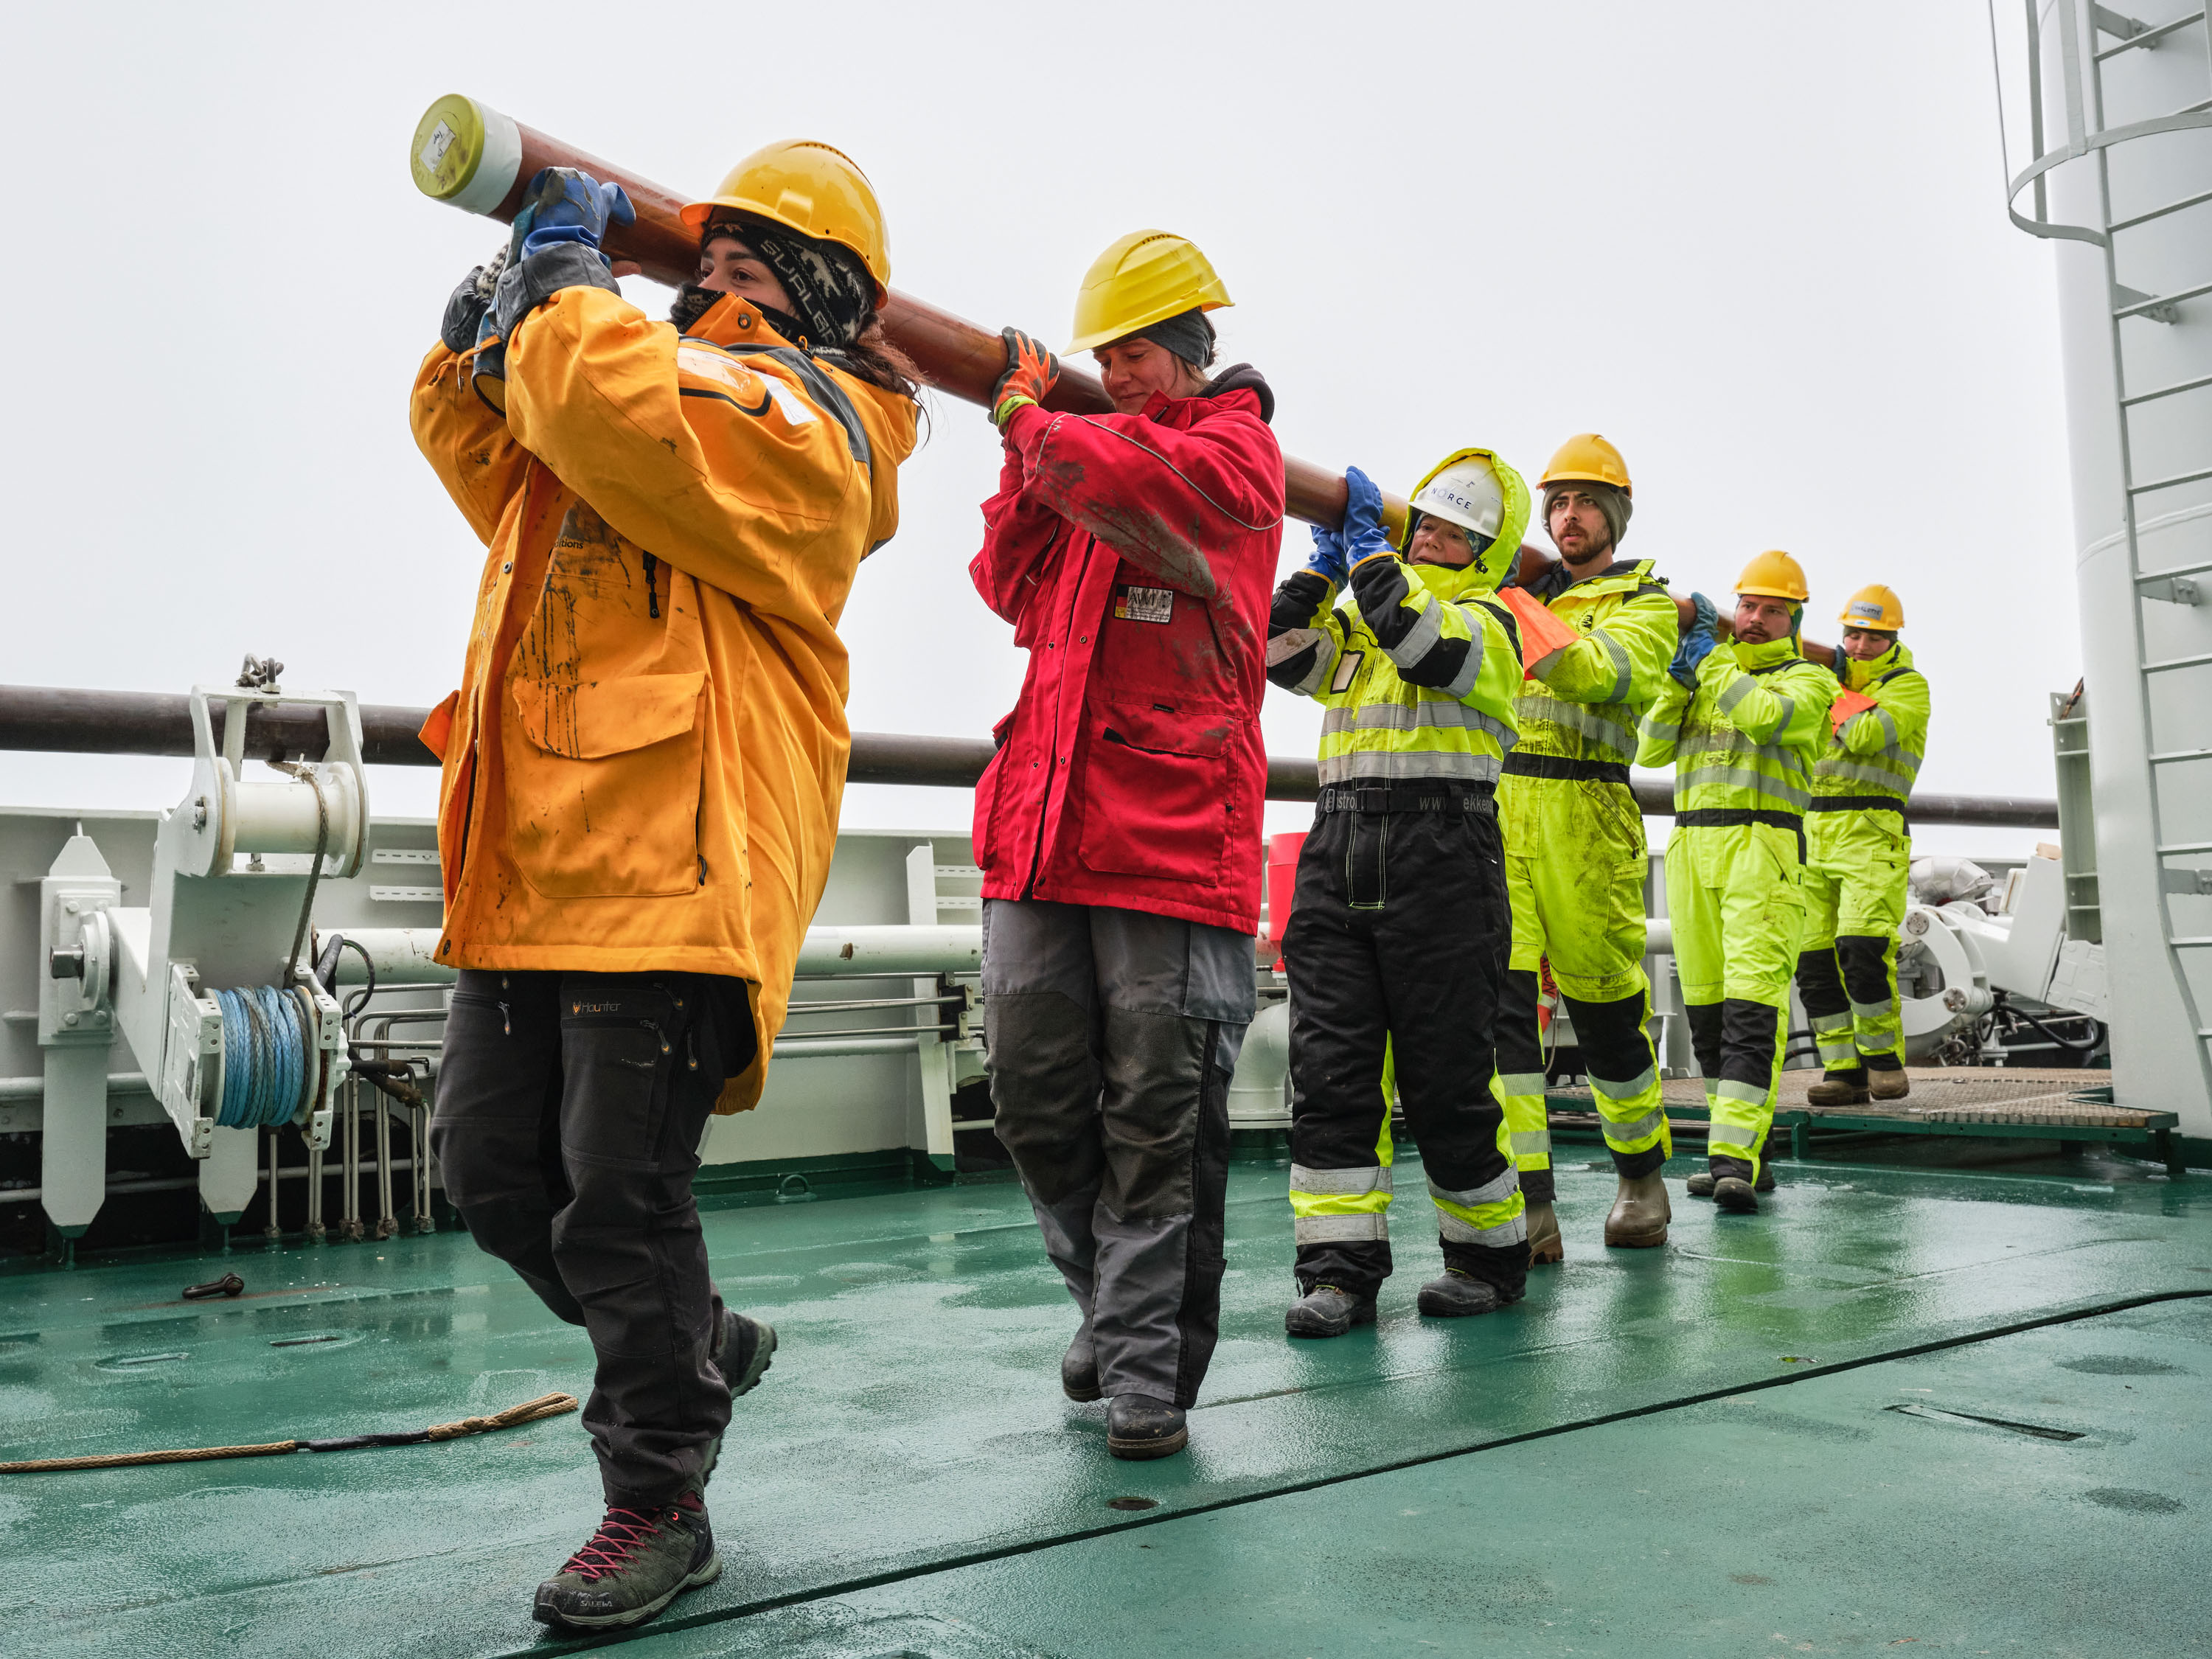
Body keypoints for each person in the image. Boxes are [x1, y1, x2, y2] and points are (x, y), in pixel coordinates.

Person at [413, 142, 920, 1631]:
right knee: (498, 1178)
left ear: (829, 297)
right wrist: (477, 339)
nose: (719, 272)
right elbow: (502, 457)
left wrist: (562, 289)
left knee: (620, 1203)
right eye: (713, 253)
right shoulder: (642, 370)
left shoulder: (815, 421)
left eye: (759, 259)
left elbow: (625, 420)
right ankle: (700, 1340)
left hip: (682, 858)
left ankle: (660, 1502)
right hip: (543, 851)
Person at [969, 230, 1282, 1461]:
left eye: (1139, 350)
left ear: (1195, 354)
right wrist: (1027, 448)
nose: (1120, 370)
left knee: (1159, 1120)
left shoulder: (1231, 459)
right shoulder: (1088, 465)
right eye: (1105, 355)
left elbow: (1173, 496)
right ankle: (1108, 1303)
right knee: (1033, 1096)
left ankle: (1147, 1373)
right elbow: (1007, 580)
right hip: (1043, 837)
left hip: (1169, 843)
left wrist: (1034, 424)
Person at [1265, 452, 1567, 1335]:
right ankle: (1338, 1273)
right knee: (1330, 1074)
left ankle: (1487, 1258)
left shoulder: (1491, 626)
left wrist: (1367, 556)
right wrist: (1322, 567)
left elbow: (1425, 645)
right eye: (1420, 523)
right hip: (1340, 849)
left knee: (1447, 1079)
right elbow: (1276, 652)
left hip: (1445, 854)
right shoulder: (1366, 619)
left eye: (1450, 530)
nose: (1427, 536)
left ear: (1485, 549)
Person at [1494, 435, 1683, 1256]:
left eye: (1585, 504)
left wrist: (1517, 603)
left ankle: (1640, 1177)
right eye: (1557, 504)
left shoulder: (1646, 605)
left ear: (1615, 517)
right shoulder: (1517, 593)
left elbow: (1599, 673)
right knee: (1502, 1018)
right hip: (1501, 812)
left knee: (1607, 1011)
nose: (1568, 518)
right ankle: (1530, 1204)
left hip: (1588, 811)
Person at [1636, 552, 1835, 1214]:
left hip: (1764, 848)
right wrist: (1676, 678)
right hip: (1694, 845)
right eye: (1746, 606)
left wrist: (1711, 661)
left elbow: (1766, 721)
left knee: (1752, 1009)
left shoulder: (1809, 683)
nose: (1753, 619)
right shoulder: (1707, 677)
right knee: (1710, 1012)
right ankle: (1751, 1154)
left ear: (1793, 619)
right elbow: (1651, 747)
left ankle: (1729, 1160)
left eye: (1771, 610)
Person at [1795, 585, 1929, 1105]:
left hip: (1872, 834)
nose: (1857, 646)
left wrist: (1827, 688)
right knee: (1814, 961)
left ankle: (1884, 1061)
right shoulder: (1827, 683)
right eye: (1851, 634)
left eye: (1871, 638)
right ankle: (1843, 1070)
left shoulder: (1909, 687)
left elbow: (1867, 735)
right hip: (1813, 834)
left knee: (1861, 949)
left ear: (1892, 639)